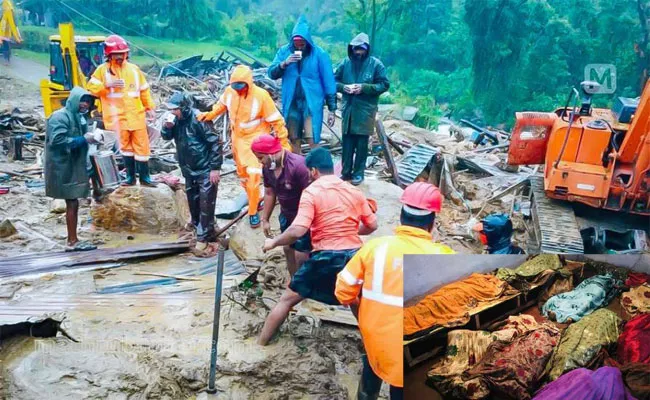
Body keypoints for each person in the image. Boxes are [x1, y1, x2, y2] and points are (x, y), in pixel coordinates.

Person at [334, 182, 454, 400]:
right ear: (432, 222)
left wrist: (363, 310)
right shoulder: (444, 256)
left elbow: (343, 291)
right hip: (411, 349)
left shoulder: (375, 247)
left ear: (401, 217)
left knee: (372, 368)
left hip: (375, 339)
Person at [258, 147, 378, 346]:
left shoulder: (311, 192)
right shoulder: (353, 190)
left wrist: (274, 242)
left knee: (287, 300)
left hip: (327, 257)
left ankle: (261, 345)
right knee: (355, 300)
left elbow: (297, 230)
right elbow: (372, 225)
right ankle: (372, 346)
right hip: (355, 257)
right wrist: (347, 231)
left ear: (313, 171)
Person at [198, 65, 291, 228]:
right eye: (235, 86)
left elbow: (276, 121)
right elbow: (220, 107)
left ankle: (253, 212)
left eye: (241, 86)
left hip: (256, 141)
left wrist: (283, 142)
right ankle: (256, 199)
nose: (238, 89)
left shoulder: (261, 96)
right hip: (237, 140)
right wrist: (209, 115)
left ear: (248, 83)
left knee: (254, 175)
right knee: (243, 176)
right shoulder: (229, 93)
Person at [87, 34, 158, 187]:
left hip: (136, 116)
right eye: (116, 54)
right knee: (126, 149)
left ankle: (145, 178)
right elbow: (91, 87)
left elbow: (144, 90)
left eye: (122, 53)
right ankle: (130, 178)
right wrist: (107, 84)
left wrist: (149, 107)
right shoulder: (102, 71)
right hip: (117, 118)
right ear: (109, 54)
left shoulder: (134, 70)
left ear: (126, 53)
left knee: (142, 148)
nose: (119, 57)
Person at [161, 92, 223, 257]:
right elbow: (166, 137)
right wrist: (166, 128)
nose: (173, 113)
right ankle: (198, 229)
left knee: (206, 205)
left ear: (183, 107)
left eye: (175, 109)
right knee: (193, 203)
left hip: (205, 169)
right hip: (188, 169)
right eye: (171, 110)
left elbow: (215, 143)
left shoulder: (199, 119)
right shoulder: (176, 121)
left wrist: (215, 168)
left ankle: (204, 238)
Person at [268, 15, 337, 154]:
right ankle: (297, 170)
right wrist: (284, 63)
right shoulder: (284, 52)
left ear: (308, 41)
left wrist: (332, 109)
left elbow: (329, 81)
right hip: (292, 102)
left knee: (312, 138)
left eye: (302, 44)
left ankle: (316, 170)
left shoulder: (319, 54)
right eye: (296, 43)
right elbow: (271, 73)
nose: (299, 46)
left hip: (312, 103)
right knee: (293, 137)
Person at [44, 87, 99, 252]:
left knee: (74, 200)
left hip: (73, 164)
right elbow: (57, 141)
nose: (85, 105)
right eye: (83, 101)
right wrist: (84, 139)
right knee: (72, 201)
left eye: (88, 102)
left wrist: (91, 139)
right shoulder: (59, 117)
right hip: (62, 166)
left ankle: (73, 238)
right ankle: (72, 241)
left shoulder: (78, 116)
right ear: (74, 100)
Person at [252, 134, 312, 277]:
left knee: (301, 254)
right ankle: (293, 282)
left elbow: (311, 197)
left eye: (261, 157)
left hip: (303, 216)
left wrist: (303, 222)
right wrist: (265, 219)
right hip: (286, 214)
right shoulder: (268, 168)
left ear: (271, 154)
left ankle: (304, 287)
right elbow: (269, 192)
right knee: (288, 249)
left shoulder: (299, 166)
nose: (260, 162)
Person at [335, 33, 390, 186]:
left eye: (361, 50)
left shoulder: (376, 65)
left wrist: (364, 88)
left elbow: (384, 85)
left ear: (367, 49)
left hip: (366, 111)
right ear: (351, 49)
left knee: (361, 144)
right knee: (347, 143)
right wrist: (344, 87)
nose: (358, 52)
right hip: (348, 109)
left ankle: (358, 174)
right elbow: (333, 80)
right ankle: (345, 172)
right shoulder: (345, 63)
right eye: (356, 49)